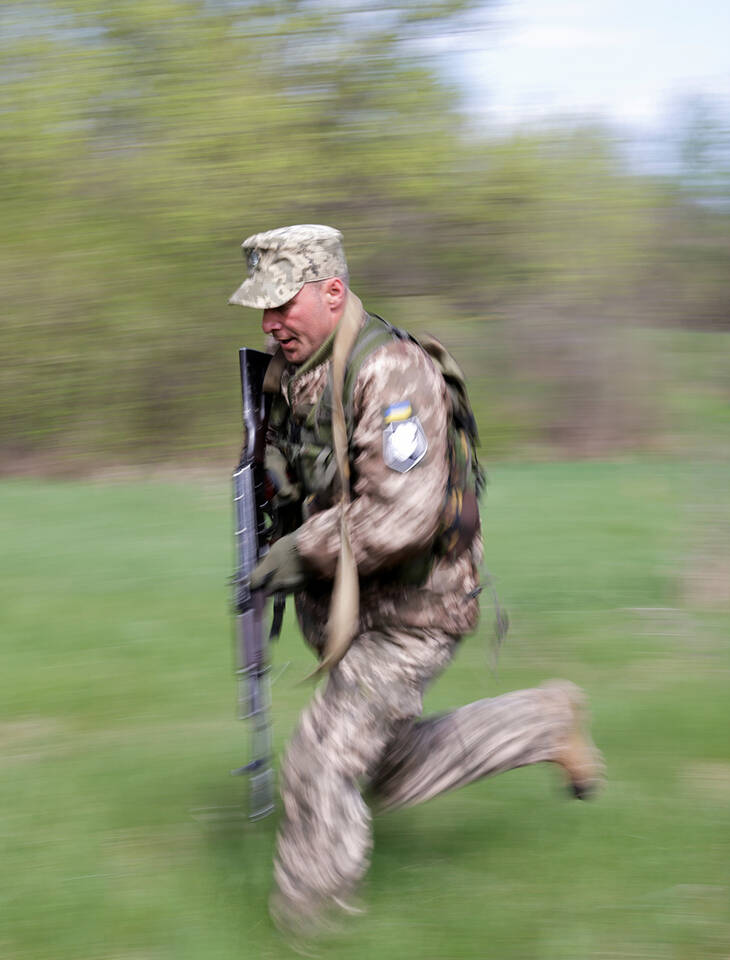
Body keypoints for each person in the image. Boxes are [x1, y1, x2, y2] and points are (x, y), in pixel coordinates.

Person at [230, 224, 605, 936]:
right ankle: (544, 722)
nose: (272, 322)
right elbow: (296, 478)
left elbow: (403, 515)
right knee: (382, 767)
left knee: (321, 761)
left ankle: (308, 922)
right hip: (353, 608)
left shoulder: (392, 374)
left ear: (333, 292)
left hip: (414, 611)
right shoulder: (292, 375)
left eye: (285, 304)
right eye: (264, 308)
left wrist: (300, 552)